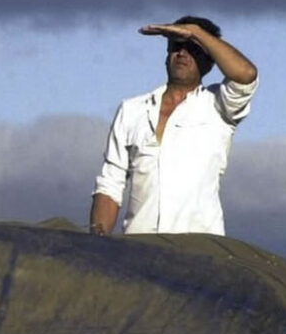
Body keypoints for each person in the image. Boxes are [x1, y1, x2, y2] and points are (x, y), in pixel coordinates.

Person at [89, 16, 258, 236]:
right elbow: (110, 183)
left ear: (210, 60)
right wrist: (97, 246)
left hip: (201, 251)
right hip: (139, 250)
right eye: (176, 46)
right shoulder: (132, 110)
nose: (182, 53)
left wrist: (195, 32)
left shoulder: (218, 105)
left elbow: (246, 75)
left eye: (193, 48)